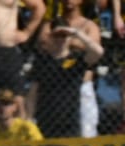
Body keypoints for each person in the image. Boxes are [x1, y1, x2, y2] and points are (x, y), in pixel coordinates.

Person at [31, 0, 105, 138]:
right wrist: (77, 43)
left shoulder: (89, 25)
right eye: (58, 36)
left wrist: (74, 34)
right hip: (51, 92)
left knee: (87, 132)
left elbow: (97, 50)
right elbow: (43, 43)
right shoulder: (50, 24)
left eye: (63, 36)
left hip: (81, 85)